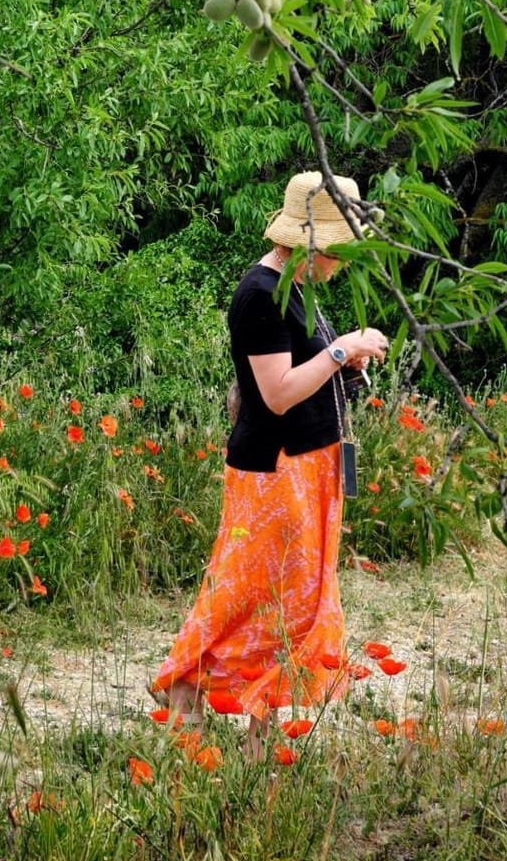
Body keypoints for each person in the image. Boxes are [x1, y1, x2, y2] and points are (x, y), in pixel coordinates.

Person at [150, 170, 389, 761]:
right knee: (246, 590)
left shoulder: (294, 289)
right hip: (275, 470)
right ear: (310, 243)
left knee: (292, 601)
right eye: (336, 249)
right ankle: (185, 688)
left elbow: (301, 377)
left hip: (311, 466)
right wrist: (342, 351)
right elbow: (277, 393)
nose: (340, 263)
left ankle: (260, 728)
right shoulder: (260, 294)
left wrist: (345, 363)